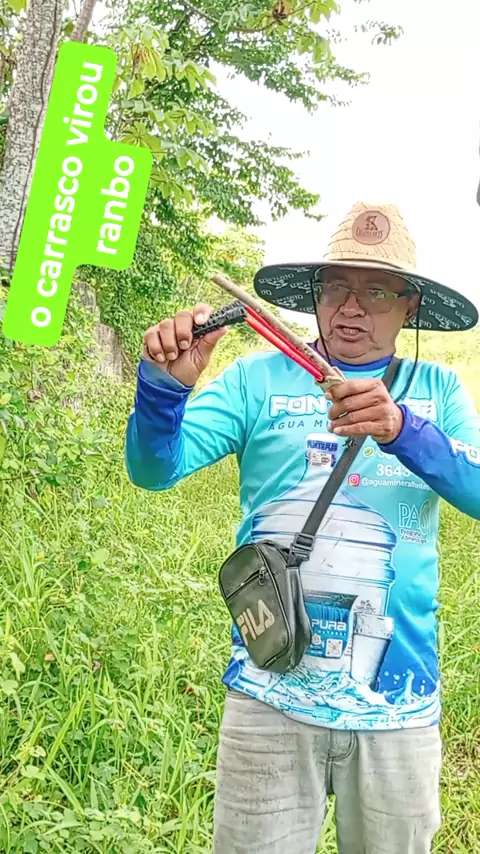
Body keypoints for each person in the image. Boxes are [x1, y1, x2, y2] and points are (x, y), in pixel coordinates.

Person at [125, 201, 480, 854]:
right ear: (315, 297)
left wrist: (402, 430)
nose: (352, 308)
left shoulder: (437, 390)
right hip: (267, 695)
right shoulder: (256, 380)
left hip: (397, 705)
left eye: (377, 291)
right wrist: (162, 391)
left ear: (409, 306)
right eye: (335, 287)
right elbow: (154, 470)